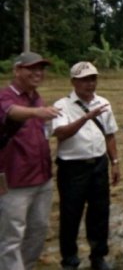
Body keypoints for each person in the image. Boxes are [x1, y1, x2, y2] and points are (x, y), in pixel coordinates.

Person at [51, 62, 120, 270]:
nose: (90, 84)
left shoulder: (103, 102)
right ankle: (70, 259)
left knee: (100, 213)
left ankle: (98, 256)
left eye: (93, 79)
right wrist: (86, 117)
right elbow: (61, 133)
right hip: (72, 167)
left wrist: (115, 162)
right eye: (84, 80)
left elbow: (110, 134)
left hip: (98, 164)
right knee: (70, 214)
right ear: (73, 82)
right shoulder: (62, 105)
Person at [0, 52, 60, 270]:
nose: (38, 73)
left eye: (41, 68)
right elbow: (12, 112)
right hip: (15, 182)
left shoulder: (36, 97)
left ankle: (28, 266)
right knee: (12, 236)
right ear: (17, 70)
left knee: (38, 230)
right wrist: (37, 112)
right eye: (31, 68)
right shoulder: (6, 96)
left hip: (42, 178)